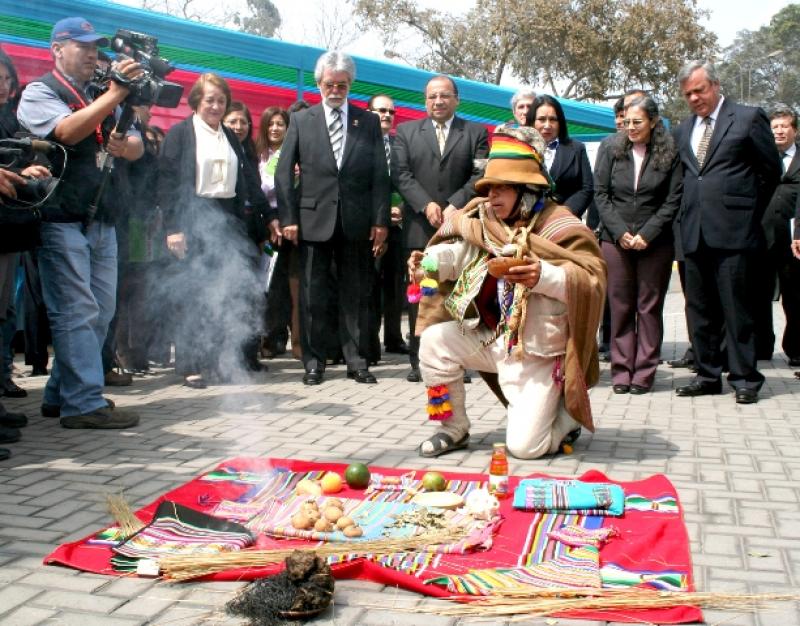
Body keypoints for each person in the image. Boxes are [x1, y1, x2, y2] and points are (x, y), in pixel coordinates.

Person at [410, 125, 606, 459]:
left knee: (524, 448)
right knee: (433, 341)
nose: (493, 196)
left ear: (527, 189)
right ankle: (453, 428)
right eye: (489, 187)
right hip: (492, 338)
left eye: (503, 188)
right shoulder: (482, 218)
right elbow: (456, 255)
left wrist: (541, 275)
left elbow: (591, 281)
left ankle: (567, 416)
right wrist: (427, 264)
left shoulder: (560, 224)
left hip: (538, 353)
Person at [17, 17, 144, 429]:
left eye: (96, 47)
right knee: (76, 311)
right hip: (62, 217)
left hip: (102, 217)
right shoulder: (39, 91)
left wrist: (125, 145)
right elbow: (68, 132)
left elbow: (138, 145)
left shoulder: (100, 92)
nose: (93, 53)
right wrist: (115, 95)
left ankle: (59, 395)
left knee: (100, 312)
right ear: (57, 48)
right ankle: (83, 404)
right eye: (83, 45)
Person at [275, 51, 390, 386]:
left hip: (355, 222)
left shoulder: (366, 121)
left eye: (342, 84)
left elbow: (379, 177)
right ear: (319, 84)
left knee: (355, 294)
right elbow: (284, 173)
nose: (335, 90)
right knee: (312, 295)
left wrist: (380, 221)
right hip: (312, 221)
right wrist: (288, 218)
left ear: (350, 84)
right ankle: (314, 361)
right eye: (329, 84)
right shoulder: (301, 120)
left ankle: (357, 361)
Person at [673, 60, 782, 404]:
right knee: (699, 310)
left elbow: (770, 172)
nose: (694, 98)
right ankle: (707, 375)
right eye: (688, 93)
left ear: (716, 86)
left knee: (737, 309)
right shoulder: (683, 128)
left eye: (699, 90)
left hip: (735, 232)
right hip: (694, 232)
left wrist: (745, 211)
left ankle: (745, 377)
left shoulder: (748, 118)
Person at [158, 72, 276, 389]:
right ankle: (189, 365)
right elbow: (167, 183)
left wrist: (269, 216)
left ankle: (222, 362)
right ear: (197, 100)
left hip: (227, 220)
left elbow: (250, 182)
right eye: (210, 99)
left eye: (221, 100)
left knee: (225, 292)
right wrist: (174, 228)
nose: (215, 105)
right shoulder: (181, 134)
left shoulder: (231, 138)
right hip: (192, 217)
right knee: (194, 294)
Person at [392, 74, 489, 382]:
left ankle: (458, 361)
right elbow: (401, 174)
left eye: (444, 96)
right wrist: (427, 205)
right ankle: (418, 360)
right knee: (420, 293)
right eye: (432, 96)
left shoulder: (475, 133)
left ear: (456, 99)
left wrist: (453, 204)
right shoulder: (406, 132)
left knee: (458, 292)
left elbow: (479, 177)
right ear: (425, 101)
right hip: (420, 226)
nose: (438, 101)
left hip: (459, 227)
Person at [594, 96, 681, 394]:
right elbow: (601, 194)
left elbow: (673, 198)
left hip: (655, 242)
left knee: (649, 307)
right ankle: (621, 371)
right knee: (620, 306)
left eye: (637, 122)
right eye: (626, 122)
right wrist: (619, 232)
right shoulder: (610, 148)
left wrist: (648, 232)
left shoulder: (669, 151)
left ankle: (644, 372)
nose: (630, 128)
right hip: (615, 241)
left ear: (654, 121)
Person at [754, 106, 800, 364]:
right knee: (759, 296)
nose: (779, 131)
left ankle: (795, 348)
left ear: (795, 130)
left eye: (784, 126)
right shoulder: (760, 158)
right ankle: (762, 347)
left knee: (795, 296)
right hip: (761, 237)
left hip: (794, 241)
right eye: (775, 127)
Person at [257, 106, 300, 359]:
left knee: (291, 285)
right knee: (269, 287)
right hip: (265, 226)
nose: (275, 128)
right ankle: (271, 338)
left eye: (280, 124)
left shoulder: (296, 156)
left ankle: (296, 341)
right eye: (270, 123)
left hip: (290, 225)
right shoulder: (257, 154)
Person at [367, 93, 407, 358]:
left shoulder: (399, 146)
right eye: (381, 111)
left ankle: (394, 338)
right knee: (370, 285)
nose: (386, 116)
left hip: (398, 227)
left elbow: (407, 181)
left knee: (395, 284)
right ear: (370, 113)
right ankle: (369, 342)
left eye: (391, 112)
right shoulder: (359, 145)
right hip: (370, 228)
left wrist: (401, 210)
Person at [526, 95, 594, 219]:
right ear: (532, 121)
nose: (547, 125)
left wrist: (564, 213)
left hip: (564, 221)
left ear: (560, 122)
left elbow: (587, 188)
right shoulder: (520, 148)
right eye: (542, 119)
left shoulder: (577, 149)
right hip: (525, 219)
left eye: (553, 119)